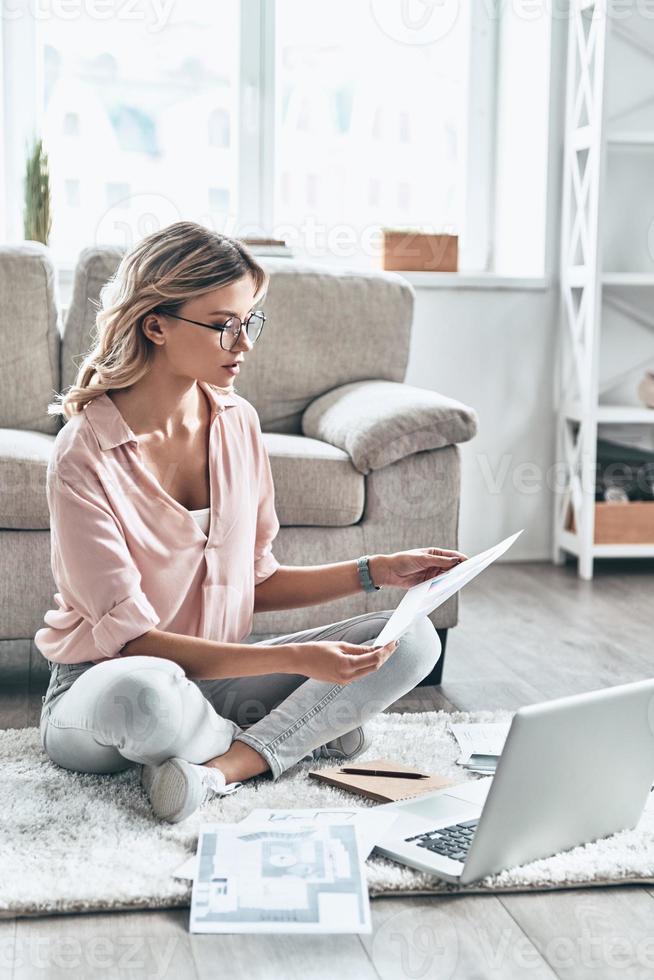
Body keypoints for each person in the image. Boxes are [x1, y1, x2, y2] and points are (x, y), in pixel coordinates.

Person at [36, 220, 466, 823]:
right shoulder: (83, 453)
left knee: (410, 636)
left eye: (249, 321)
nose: (244, 343)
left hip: (216, 679)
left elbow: (256, 581)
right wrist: (295, 665)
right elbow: (131, 642)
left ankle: (222, 767)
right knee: (149, 698)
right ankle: (304, 730)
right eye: (222, 325)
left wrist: (375, 572)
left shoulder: (239, 423)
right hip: (105, 686)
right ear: (155, 324)